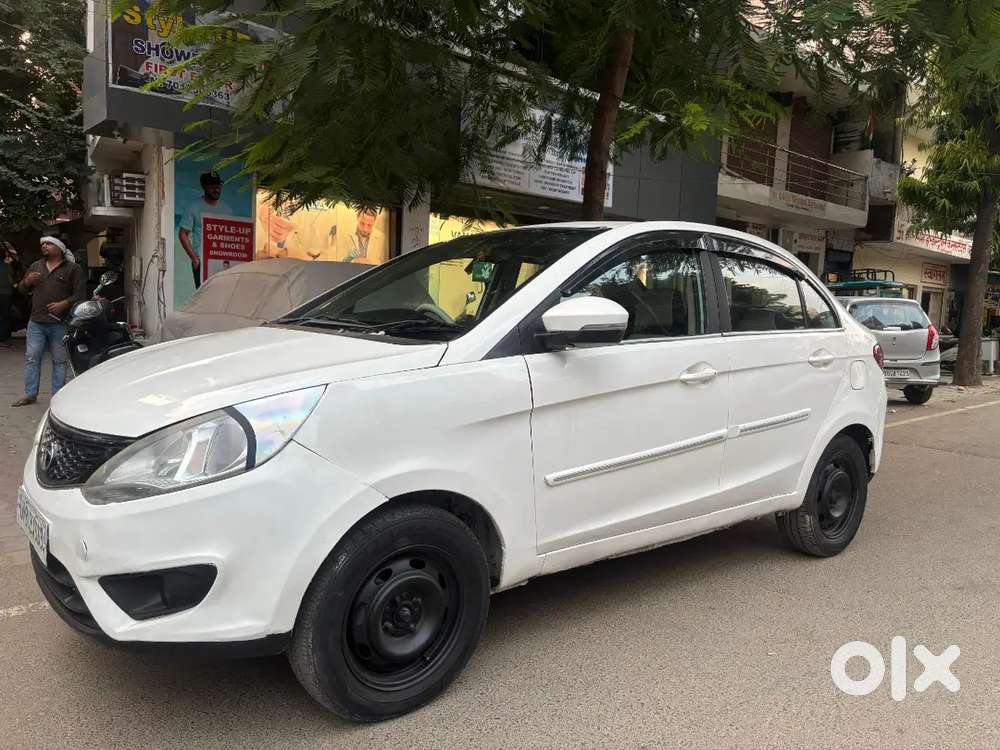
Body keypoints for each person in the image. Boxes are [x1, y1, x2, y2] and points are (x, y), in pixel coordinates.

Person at [11, 236, 86, 407]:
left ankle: (57, 395)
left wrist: (64, 303)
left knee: (59, 360)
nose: (44, 246)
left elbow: (81, 294)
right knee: (32, 358)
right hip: (36, 322)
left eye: (49, 243)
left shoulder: (73, 268)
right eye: (43, 244)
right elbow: (21, 290)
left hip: (60, 323)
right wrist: (27, 281)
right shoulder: (36, 266)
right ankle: (30, 394)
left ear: (60, 248)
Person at [179, 171, 232, 288]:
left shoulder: (227, 210)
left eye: (218, 186)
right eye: (212, 186)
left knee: (223, 295)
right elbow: (183, 234)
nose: (216, 189)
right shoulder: (193, 207)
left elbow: (231, 236)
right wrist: (194, 259)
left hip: (222, 262)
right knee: (203, 295)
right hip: (202, 261)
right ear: (204, 187)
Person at [0, 243, 15, 346]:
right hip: (5, 294)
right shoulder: (8, 267)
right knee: (4, 316)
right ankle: (2, 339)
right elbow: (11, 280)